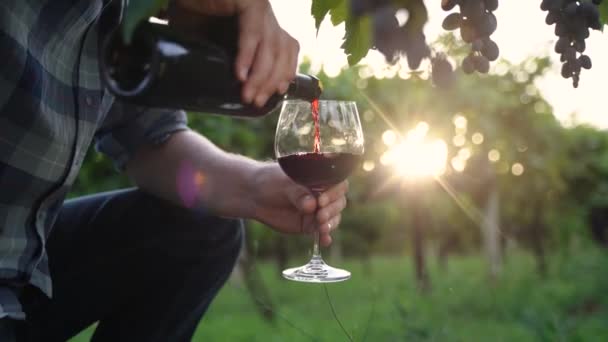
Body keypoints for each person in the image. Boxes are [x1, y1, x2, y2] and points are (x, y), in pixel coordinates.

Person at [0, 0, 349, 341]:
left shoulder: (116, 19)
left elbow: (149, 136)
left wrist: (255, 187)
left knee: (203, 228)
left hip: (26, 265)